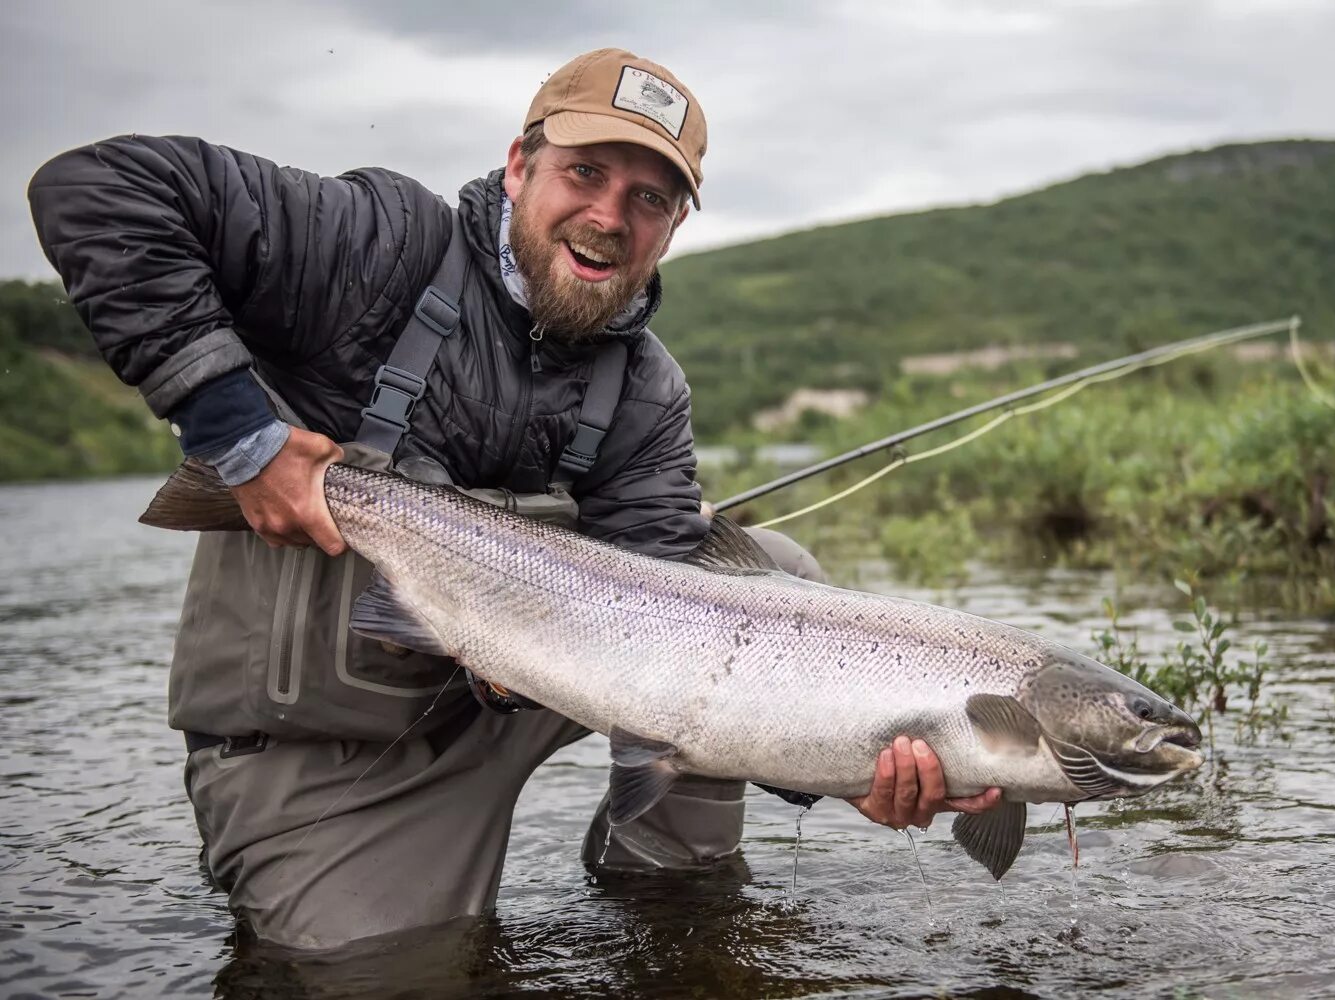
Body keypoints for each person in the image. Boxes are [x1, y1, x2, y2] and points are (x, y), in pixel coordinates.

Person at [28, 47, 1001, 950]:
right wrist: (238, 433)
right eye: (585, 174)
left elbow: (672, 648)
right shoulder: (374, 246)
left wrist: (842, 769)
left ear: (674, 227)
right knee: (378, 970)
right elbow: (98, 191)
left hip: (525, 685)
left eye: (649, 198)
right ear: (518, 165)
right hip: (328, 749)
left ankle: (666, 892)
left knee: (753, 582)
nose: (610, 216)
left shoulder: (647, 392)